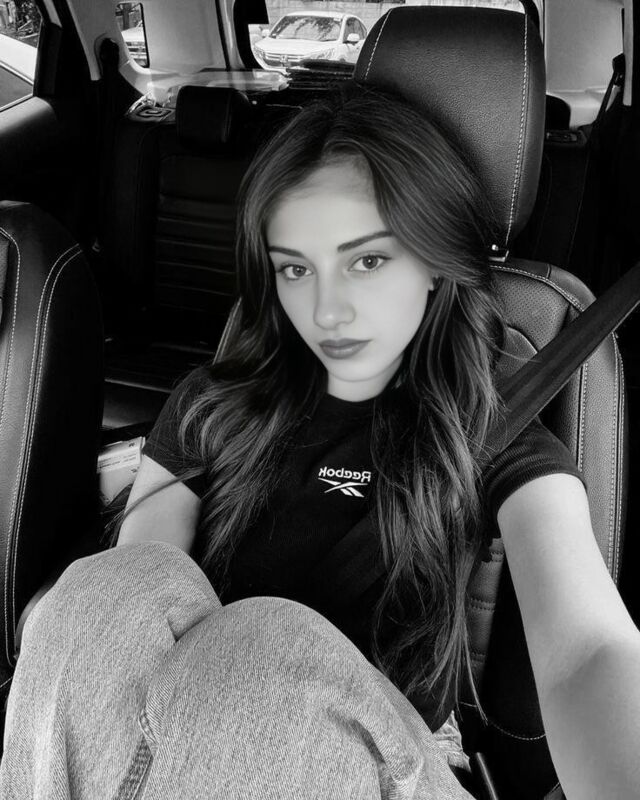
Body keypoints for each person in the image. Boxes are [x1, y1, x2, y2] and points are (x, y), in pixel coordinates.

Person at [2, 85, 640, 800]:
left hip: (390, 758)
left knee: (265, 640)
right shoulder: (215, 401)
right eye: (296, 268)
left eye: (367, 261)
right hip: (175, 752)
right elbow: (137, 607)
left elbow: (588, 649)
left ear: (434, 261)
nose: (328, 310)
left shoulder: (492, 431)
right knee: (98, 591)